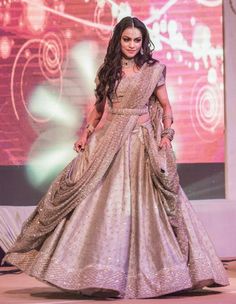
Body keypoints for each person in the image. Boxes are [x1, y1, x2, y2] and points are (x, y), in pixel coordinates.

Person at [3, 16, 229, 299]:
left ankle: (161, 273)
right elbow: (98, 109)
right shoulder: (108, 70)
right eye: (126, 39)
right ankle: (97, 273)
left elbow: (166, 106)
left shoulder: (153, 70)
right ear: (118, 40)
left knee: (152, 204)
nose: (132, 45)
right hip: (109, 141)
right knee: (92, 201)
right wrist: (86, 134)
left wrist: (166, 134)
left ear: (143, 41)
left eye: (137, 40)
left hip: (143, 142)